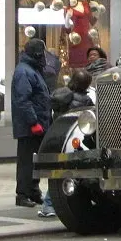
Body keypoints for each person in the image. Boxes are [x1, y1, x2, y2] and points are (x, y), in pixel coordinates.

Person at [39, 70, 95, 219]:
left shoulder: (60, 94)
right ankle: (49, 204)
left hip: (58, 137)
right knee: (67, 173)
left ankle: (48, 205)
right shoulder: (85, 100)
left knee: (57, 172)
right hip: (74, 141)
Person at [11, 38, 52, 207]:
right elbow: (23, 100)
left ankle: (33, 191)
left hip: (37, 125)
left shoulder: (31, 69)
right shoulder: (25, 71)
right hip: (30, 126)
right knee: (27, 161)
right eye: (42, 52)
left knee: (36, 160)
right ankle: (23, 194)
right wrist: (33, 122)